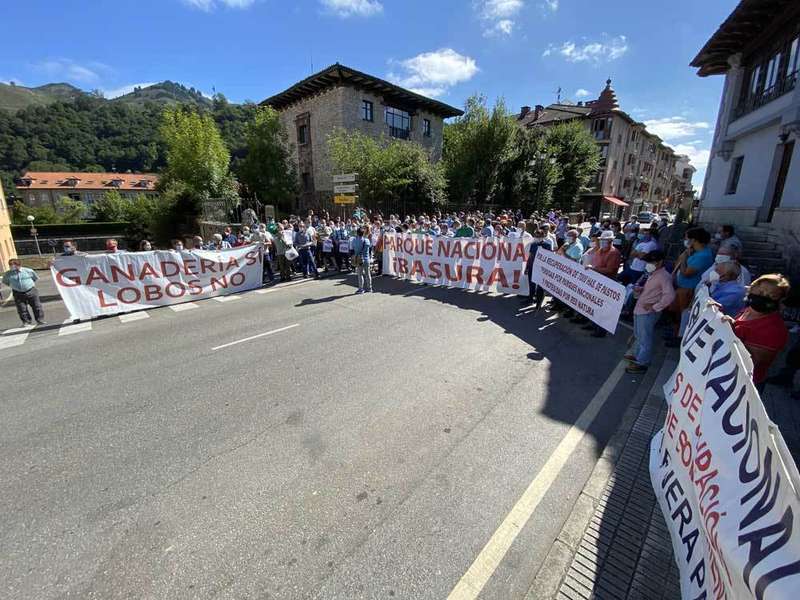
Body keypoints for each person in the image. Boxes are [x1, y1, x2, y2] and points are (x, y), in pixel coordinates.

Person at [731, 274, 791, 392]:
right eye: (760, 291)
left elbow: (752, 362)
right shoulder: (750, 310)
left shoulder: (774, 330)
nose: (763, 296)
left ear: (779, 300)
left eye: (770, 295)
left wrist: (729, 334)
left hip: (744, 386)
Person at [625, 250, 675, 374]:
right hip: (640, 309)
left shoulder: (664, 276)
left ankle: (642, 362)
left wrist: (655, 306)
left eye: (651, 262)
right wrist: (640, 290)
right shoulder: (652, 273)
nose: (648, 264)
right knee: (638, 334)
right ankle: (637, 355)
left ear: (660, 262)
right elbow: (652, 290)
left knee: (645, 338)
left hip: (648, 312)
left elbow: (669, 296)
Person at [668, 227, 713, 346]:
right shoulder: (694, 252)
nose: (685, 240)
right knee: (676, 313)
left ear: (694, 240)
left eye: (687, 238)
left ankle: (679, 338)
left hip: (689, 289)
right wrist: (685, 255)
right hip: (681, 287)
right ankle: (675, 333)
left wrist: (684, 260)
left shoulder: (703, 255)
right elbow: (677, 263)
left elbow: (687, 273)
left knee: (683, 316)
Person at [2, 258, 46, 326]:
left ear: (18, 265)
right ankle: (26, 321)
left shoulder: (28, 271)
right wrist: (14, 286)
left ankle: (40, 320)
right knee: (21, 308)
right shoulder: (8, 274)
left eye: (13, 265)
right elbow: (5, 281)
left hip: (31, 290)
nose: (11, 267)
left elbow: (34, 278)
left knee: (37, 306)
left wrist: (28, 285)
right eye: (10, 265)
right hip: (17, 293)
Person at [522, 228, 554, 309]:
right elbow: (530, 257)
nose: (536, 237)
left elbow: (549, 258)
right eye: (535, 236)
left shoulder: (547, 245)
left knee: (540, 286)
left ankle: (538, 302)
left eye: (538, 236)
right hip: (532, 267)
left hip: (541, 269)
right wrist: (527, 267)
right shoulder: (533, 244)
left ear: (543, 236)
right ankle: (530, 298)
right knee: (531, 283)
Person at [352, 227, 372, 294]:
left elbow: (354, 249)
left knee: (360, 274)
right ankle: (369, 288)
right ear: (363, 233)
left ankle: (361, 289)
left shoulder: (354, 240)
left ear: (357, 233)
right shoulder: (367, 240)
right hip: (366, 258)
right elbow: (370, 247)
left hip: (359, 259)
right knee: (368, 274)